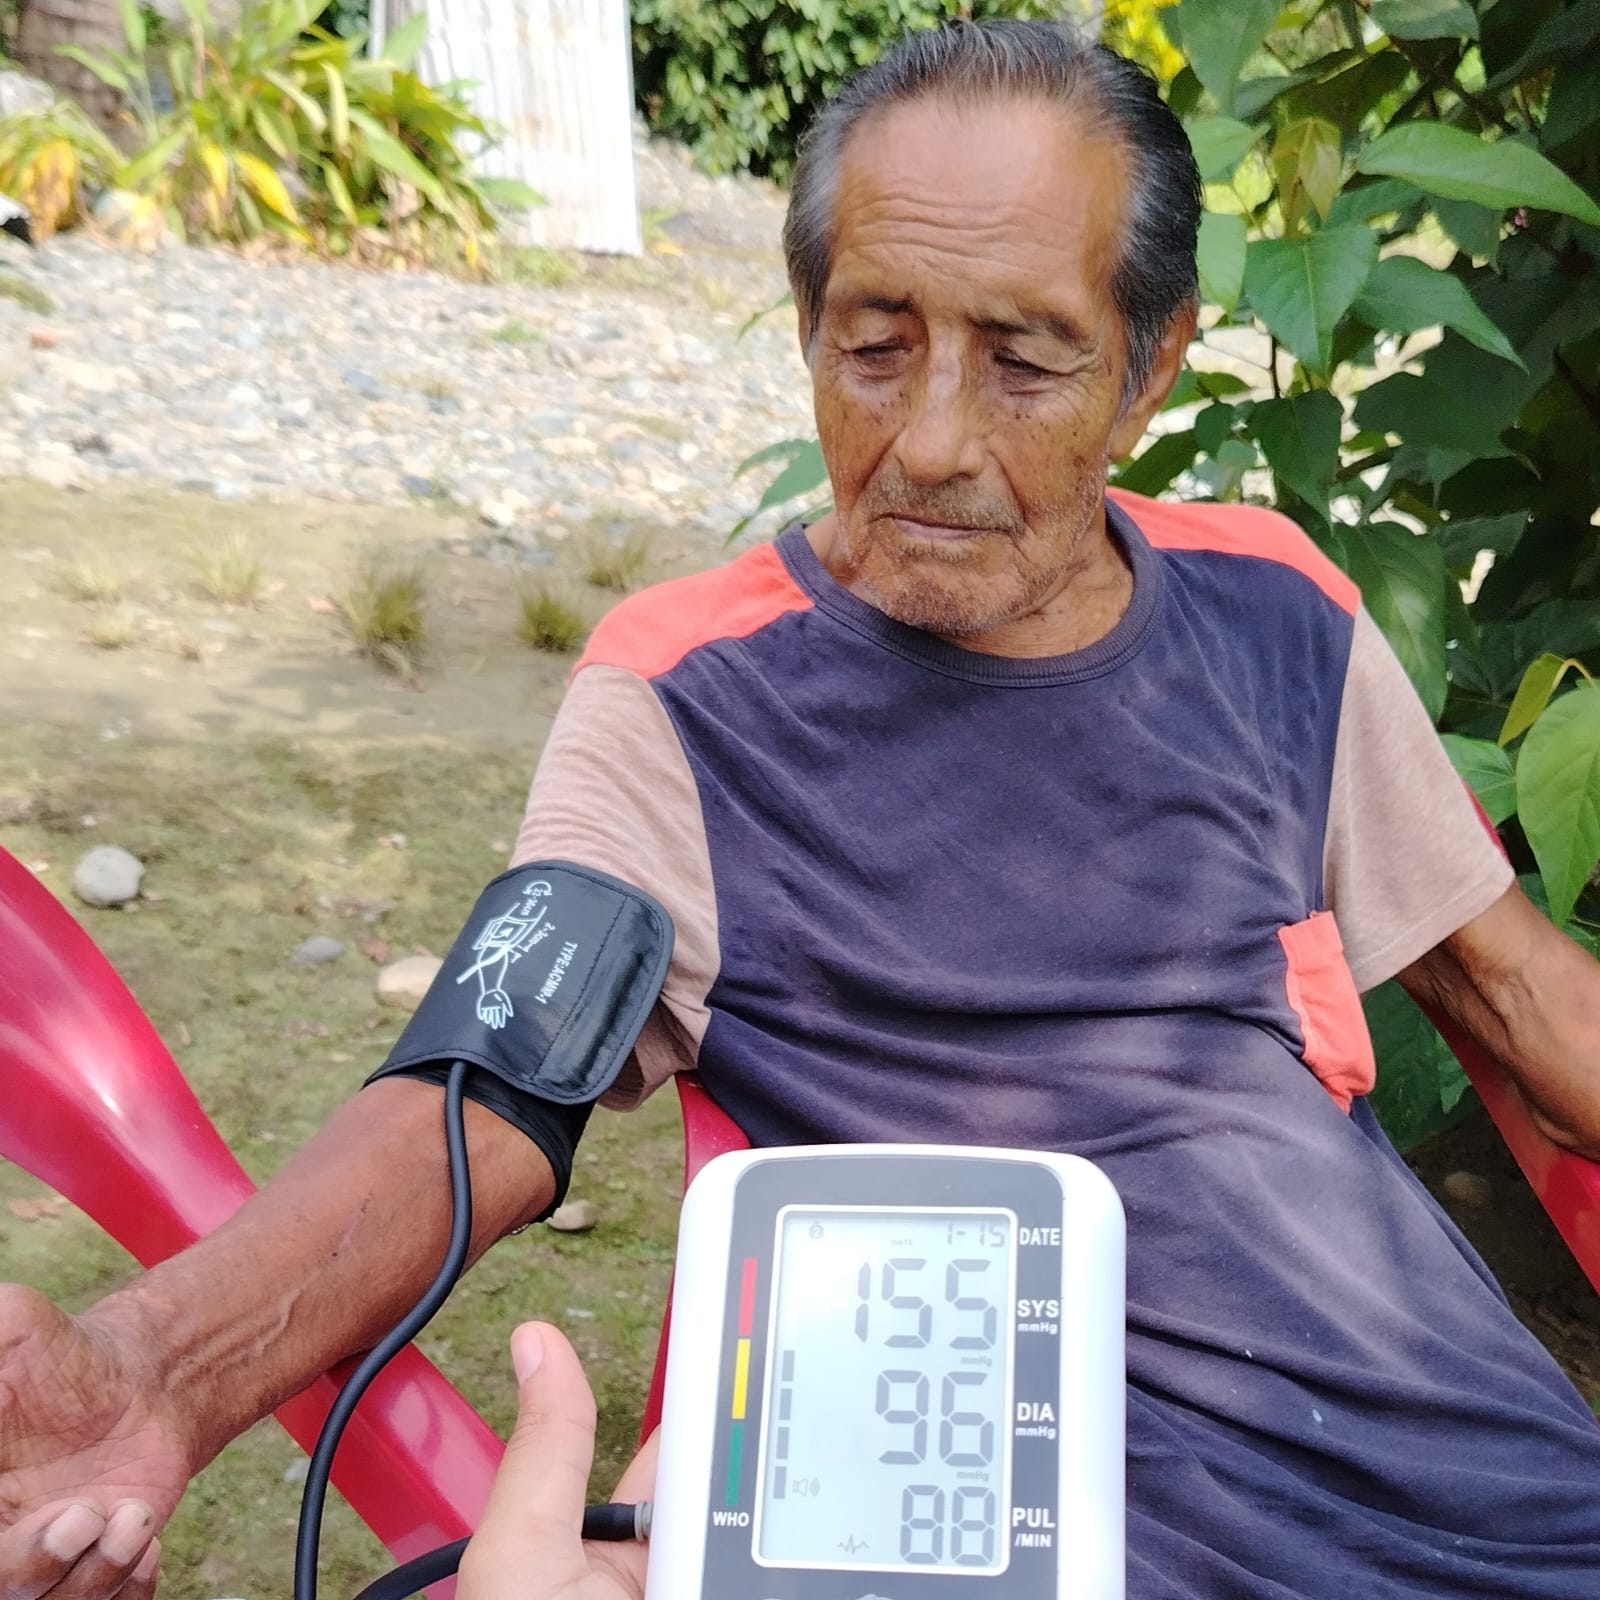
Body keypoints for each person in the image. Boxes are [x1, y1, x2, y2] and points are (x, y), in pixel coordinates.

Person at [4, 18, 1600, 1599]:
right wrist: (155, 1372)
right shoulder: (691, 696)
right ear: (806, 328)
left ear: (1150, 364)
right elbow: (481, 1095)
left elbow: (1514, 991)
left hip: (1477, 1478)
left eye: (1026, 360)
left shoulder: (1275, 612)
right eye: (875, 344)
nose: (933, 443)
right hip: (997, 1508)